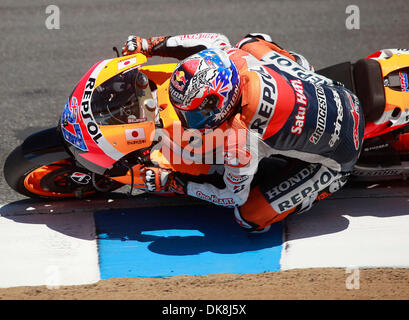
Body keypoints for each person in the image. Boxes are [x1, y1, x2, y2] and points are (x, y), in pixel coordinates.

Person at [122, 32, 365, 233]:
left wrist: (175, 183)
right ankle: (302, 70)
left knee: (248, 217)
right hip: (336, 91)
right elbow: (210, 40)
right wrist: (150, 45)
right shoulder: (233, 58)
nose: (186, 121)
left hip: (342, 152)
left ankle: (325, 185)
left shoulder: (240, 140)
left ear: (221, 103)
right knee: (249, 42)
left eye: (193, 114)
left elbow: (233, 197)